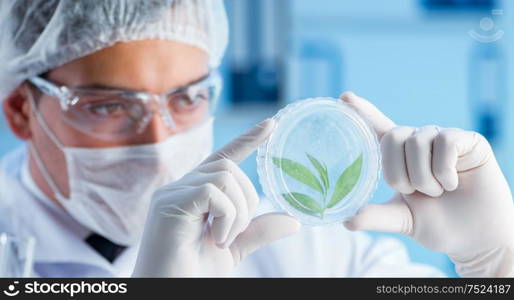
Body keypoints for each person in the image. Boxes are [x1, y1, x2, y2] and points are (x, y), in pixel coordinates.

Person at [0, 0, 512, 278]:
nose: (159, 139)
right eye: (109, 106)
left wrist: (492, 266)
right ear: (22, 109)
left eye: (188, 98)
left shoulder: (302, 250)